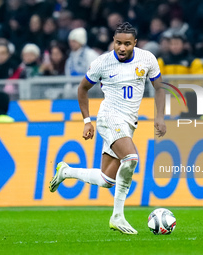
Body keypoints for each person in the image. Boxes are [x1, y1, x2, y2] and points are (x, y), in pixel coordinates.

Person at [49, 22, 166, 235]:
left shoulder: (147, 59)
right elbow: (82, 89)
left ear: (135, 44)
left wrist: (159, 117)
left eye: (127, 44)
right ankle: (117, 216)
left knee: (107, 180)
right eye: (118, 43)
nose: (122, 48)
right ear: (113, 41)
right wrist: (87, 121)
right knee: (131, 159)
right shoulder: (102, 63)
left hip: (129, 123)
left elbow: (159, 88)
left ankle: (66, 171)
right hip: (109, 118)